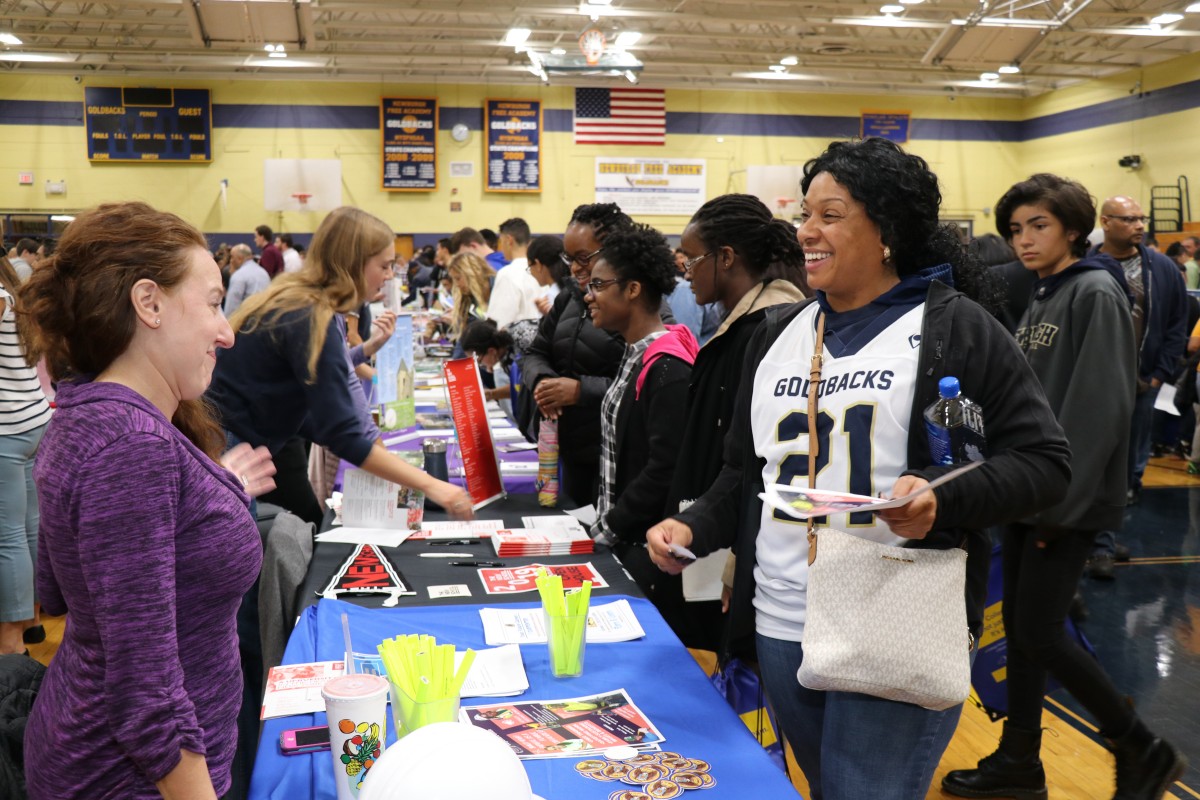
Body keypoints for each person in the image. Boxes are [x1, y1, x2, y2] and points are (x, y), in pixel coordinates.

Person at [645, 138, 1072, 800]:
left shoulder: (955, 328)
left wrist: (940, 495)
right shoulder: (774, 334)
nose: (806, 231)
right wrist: (694, 525)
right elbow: (750, 475)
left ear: (888, 232)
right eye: (804, 212)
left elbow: (1044, 464)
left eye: (831, 214)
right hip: (782, 621)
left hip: (894, 612)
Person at [19, 201, 278, 798]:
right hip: (129, 780)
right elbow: (145, 698)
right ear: (149, 303)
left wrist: (209, 499)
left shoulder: (88, 413)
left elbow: (60, 588)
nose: (227, 330)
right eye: (213, 302)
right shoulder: (131, 447)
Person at [942, 174, 1185, 800]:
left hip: (1063, 500)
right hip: (1031, 493)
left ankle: (1141, 746)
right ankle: (1019, 759)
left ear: (1075, 228)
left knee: (1041, 632)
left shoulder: (1095, 291)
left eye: (1038, 226)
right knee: (1022, 630)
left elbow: (1100, 408)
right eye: (1016, 229)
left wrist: (1059, 501)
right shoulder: (1046, 293)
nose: (1024, 240)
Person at [208, 206, 474, 524]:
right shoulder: (310, 315)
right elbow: (342, 433)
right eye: (384, 266)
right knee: (241, 551)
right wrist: (435, 487)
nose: (389, 276)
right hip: (229, 445)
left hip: (240, 438)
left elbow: (317, 394)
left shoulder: (304, 302)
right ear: (353, 264)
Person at [660, 193, 809, 651]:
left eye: (692, 259)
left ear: (726, 258)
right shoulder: (740, 324)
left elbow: (758, 462)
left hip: (734, 539)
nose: (685, 272)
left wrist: (733, 560)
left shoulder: (770, 329)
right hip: (709, 526)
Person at [585, 223, 697, 597]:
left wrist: (610, 526)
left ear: (632, 289)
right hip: (622, 539)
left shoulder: (668, 367)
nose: (589, 295)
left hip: (645, 553)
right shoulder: (635, 353)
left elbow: (664, 468)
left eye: (598, 285)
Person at [1087, 196, 1187, 579]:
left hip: (1141, 383)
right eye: (1128, 219)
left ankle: (1105, 540)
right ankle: (1098, 541)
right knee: (1091, 467)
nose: (1139, 225)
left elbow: (1177, 323)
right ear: (1106, 222)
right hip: (1095, 385)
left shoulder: (1161, 267)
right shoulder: (1087, 264)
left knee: (1129, 470)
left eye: (1141, 218)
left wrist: (1160, 373)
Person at [520, 203, 634, 507]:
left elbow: (645, 385)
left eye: (583, 257)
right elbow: (535, 352)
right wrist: (542, 379)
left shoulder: (641, 306)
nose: (574, 267)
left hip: (615, 456)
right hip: (569, 451)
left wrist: (581, 390)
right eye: (568, 258)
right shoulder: (570, 297)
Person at [0, 253, 51, 656]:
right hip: (33, 421)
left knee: (8, 536)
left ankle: (11, 644)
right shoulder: (13, 295)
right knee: (29, 527)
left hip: (8, 430)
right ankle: (33, 621)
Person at [461, 320, 516, 403]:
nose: (481, 365)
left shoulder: (516, 356)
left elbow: (522, 389)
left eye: (479, 361)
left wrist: (490, 394)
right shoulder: (504, 348)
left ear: (492, 351)